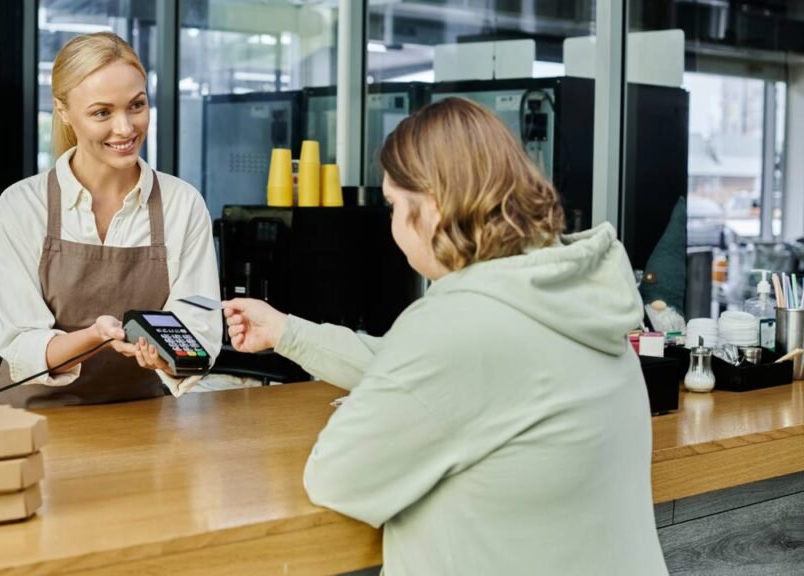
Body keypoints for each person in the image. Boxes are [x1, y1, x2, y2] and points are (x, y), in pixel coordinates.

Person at [223, 98, 667, 575]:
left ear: (432, 207)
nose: (392, 225)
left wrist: (368, 408)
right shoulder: (570, 291)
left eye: (394, 205)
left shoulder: (458, 323)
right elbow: (420, 370)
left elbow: (338, 477)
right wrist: (289, 333)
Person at [0, 32, 220, 408]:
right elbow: (21, 342)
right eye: (102, 113)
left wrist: (169, 359)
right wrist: (95, 336)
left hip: (141, 418)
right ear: (62, 111)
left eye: (137, 105)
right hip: (34, 420)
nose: (126, 128)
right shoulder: (22, 206)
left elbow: (199, 331)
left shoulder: (183, 204)